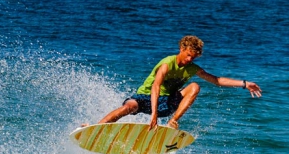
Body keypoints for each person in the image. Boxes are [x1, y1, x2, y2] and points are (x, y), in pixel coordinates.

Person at [98, 35, 262, 130]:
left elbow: (217, 80)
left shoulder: (192, 68)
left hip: (167, 103)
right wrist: (154, 113)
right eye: (188, 55)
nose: (190, 59)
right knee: (129, 106)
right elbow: (155, 86)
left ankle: (173, 121)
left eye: (194, 57)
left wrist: (244, 83)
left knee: (195, 87)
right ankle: (96, 127)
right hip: (146, 97)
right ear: (181, 49)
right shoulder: (167, 63)